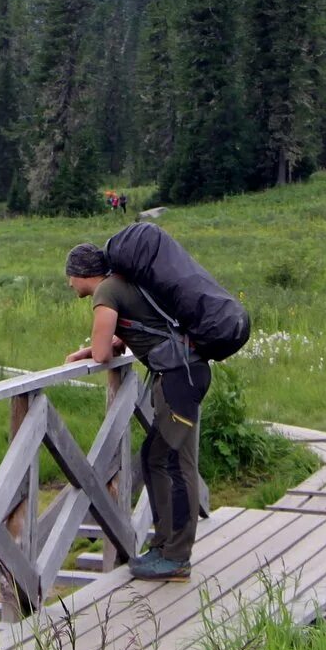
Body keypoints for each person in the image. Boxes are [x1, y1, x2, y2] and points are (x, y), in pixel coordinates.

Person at [62, 242, 209, 581]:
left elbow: (103, 353)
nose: (69, 283)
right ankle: (165, 547)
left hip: (178, 379)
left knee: (167, 461)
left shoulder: (107, 291)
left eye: (70, 275)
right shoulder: (124, 284)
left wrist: (93, 350)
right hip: (187, 373)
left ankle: (176, 557)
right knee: (163, 459)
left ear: (82, 273)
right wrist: (92, 350)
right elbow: (135, 332)